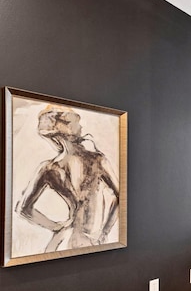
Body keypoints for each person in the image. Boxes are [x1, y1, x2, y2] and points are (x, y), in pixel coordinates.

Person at [16, 104, 120, 252]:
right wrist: (105, 231)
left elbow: (23, 208)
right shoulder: (98, 161)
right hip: (89, 239)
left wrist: (56, 227)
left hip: (63, 240)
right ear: (68, 129)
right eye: (76, 123)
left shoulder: (48, 168)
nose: (81, 127)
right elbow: (122, 196)